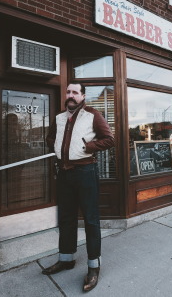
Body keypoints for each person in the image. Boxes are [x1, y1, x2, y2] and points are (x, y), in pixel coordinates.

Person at [43, 82, 115, 292]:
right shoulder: (59, 117)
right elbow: (50, 137)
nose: (71, 95)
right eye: (68, 92)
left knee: (91, 220)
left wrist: (87, 146)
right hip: (64, 173)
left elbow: (109, 139)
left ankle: (94, 267)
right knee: (66, 218)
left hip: (85, 172)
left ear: (83, 96)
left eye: (75, 92)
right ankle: (66, 259)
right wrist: (56, 146)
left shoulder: (93, 115)